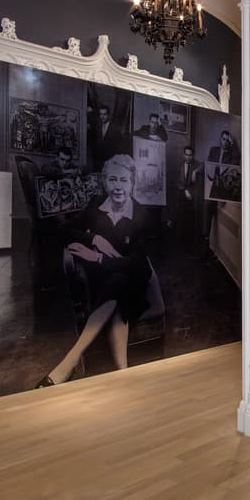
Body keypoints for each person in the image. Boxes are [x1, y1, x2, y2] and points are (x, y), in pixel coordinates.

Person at [36, 154, 153, 387]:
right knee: (117, 289)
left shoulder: (143, 216)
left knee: (121, 280)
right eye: (112, 180)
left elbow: (136, 264)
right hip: (108, 279)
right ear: (104, 181)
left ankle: (67, 364)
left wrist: (96, 257)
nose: (117, 187)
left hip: (133, 278)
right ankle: (123, 373)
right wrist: (95, 238)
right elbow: (63, 231)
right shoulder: (96, 205)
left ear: (132, 183)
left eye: (123, 180)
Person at [176, 145, 201, 255]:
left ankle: (189, 244)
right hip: (182, 194)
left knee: (190, 219)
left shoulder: (196, 164)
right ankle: (180, 243)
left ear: (193, 156)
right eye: (186, 154)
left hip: (192, 196)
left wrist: (196, 171)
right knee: (180, 217)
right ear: (183, 154)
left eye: (190, 155)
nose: (188, 157)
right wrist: (185, 190)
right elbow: (178, 182)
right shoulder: (180, 165)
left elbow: (204, 165)